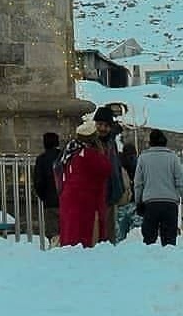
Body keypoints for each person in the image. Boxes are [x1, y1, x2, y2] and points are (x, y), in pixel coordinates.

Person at [57, 120, 112, 247]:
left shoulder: (70, 152)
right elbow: (107, 168)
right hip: (86, 202)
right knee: (84, 237)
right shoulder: (90, 155)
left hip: (68, 199)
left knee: (70, 234)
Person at [134, 129, 183, 247]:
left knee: (149, 241)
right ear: (165, 142)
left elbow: (138, 183)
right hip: (170, 204)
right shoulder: (173, 158)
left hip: (150, 204)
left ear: (150, 143)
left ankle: (149, 263)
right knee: (169, 242)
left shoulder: (143, 158)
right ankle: (167, 263)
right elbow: (180, 182)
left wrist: (138, 202)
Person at [92, 105, 127, 242]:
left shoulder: (111, 144)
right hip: (94, 196)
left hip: (110, 195)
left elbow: (116, 167)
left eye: (106, 125)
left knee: (108, 233)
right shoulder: (90, 143)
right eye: (100, 124)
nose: (102, 128)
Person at [33, 132, 61, 241]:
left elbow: (38, 182)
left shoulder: (41, 159)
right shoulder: (63, 156)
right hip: (65, 199)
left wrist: (44, 197)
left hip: (50, 201)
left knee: (53, 233)